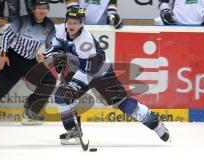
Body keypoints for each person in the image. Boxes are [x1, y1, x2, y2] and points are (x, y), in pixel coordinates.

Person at [37, 6, 170, 145]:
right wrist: (46, 54)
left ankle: (156, 124)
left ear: (81, 23)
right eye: (69, 22)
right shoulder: (61, 31)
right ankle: (73, 130)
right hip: (80, 69)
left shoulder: (85, 42)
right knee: (61, 96)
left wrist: (72, 84)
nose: (71, 25)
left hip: (100, 72)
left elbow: (87, 71)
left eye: (75, 23)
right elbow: (57, 46)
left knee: (123, 103)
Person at [0, 0, 56, 124]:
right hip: (13, 59)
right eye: (39, 8)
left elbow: (51, 45)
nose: (42, 10)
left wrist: (45, 54)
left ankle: (30, 111)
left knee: (49, 80)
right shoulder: (22, 20)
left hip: (30, 60)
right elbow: (6, 36)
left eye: (45, 8)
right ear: (33, 9)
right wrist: (3, 55)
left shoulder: (49, 25)